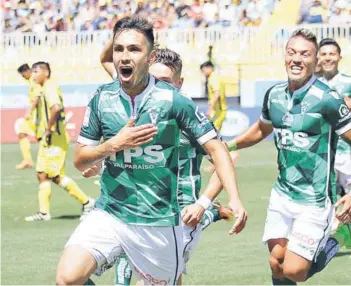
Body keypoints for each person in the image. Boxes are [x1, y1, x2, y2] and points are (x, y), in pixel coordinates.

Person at [56, 17, 247, 285]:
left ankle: (213, 212)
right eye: (119, 49)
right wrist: (112, 146)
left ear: (150, 56)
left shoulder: (174, 102)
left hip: (159, 221)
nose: (124, 56)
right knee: (68, 277)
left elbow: (218, 149)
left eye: (134, 49)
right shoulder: (103, 99)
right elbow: (79, 159)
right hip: (112, 211)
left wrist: (233, 199)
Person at [97, 46, 237, 285]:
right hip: (135, 209)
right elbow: (106, 60)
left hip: (181, 216)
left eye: (165, 81)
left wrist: (202, 204)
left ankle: (210, 213)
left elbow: (227, 160)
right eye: (152, 79)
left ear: (179, 83)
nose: (157, 86)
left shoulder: (189, 117)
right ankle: (214, 213)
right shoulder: (136, 105)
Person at [226, 28, 351, 284]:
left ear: (315, 62)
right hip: (281, 194)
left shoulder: (328, 99)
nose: (297, 59)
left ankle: (341, 236)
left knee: (295, 271)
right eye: (292, 52)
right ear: (284, 56)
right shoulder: (274, 95)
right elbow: (261, 129)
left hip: (314, 199)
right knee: (276, 263)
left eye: (304, 54)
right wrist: (227, 147)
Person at [25, 62, 94, 222]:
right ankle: (44, 213)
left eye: (36, 71)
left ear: (46, 72)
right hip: (46, 139)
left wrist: (48, 129)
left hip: (54, 138)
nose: (33, 75)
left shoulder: (49, 87)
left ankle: (88, 202)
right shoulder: (42, 88)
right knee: (41, 174)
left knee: (55, 175)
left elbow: (55, 108)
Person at [318, 38, 351, 249]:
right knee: (326, 198)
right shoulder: (314, 84)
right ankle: (341, 233)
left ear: (339, 57)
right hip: (324, 153)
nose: (328, 58)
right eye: (324, 54)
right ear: (318, 57)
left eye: (332, 54)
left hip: (347, 151)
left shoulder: (348, 82)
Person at [14, 64, 39, 170]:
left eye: (22, 74)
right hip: (34, 116)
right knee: (20, 130)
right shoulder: (31, 81)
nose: (22, 77)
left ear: (26, 71)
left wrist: (29, 111)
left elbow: (36, 98)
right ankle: (27, 160)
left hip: (38, 116)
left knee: (44, 139)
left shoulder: (34, 81)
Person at [200, 61, 228, 132]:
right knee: (214, 134)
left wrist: (210, 109)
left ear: (209, 68)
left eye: (203, 71)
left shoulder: (213, 78)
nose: (203, 73)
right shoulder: (216, 76)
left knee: (212, 134)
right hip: (219, 110)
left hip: (218, 111)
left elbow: (217, 93)